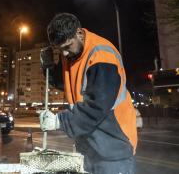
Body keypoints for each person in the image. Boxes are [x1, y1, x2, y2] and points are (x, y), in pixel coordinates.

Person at [40, 13, 137, 174]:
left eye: (67, 47)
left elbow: (97, 107)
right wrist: (48, 68)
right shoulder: (70, 54)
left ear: (79, 33)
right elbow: (62, 81)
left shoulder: (102, 56)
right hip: (89, 147)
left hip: (113, 147)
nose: (63, 54)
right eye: (60, 49)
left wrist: (59, 122)